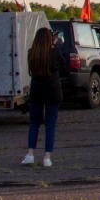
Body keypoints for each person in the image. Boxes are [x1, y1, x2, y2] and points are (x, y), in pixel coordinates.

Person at [23, 28, 67, 167]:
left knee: (34, 123)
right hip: (52, 91)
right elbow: (62, 66)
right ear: (50, 39)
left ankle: (30, 154)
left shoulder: (32, 53)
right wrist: (54, 46)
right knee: (50, 125)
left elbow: (31, 70)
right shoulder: (54, 52)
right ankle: (47, 157)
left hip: (36, 90)